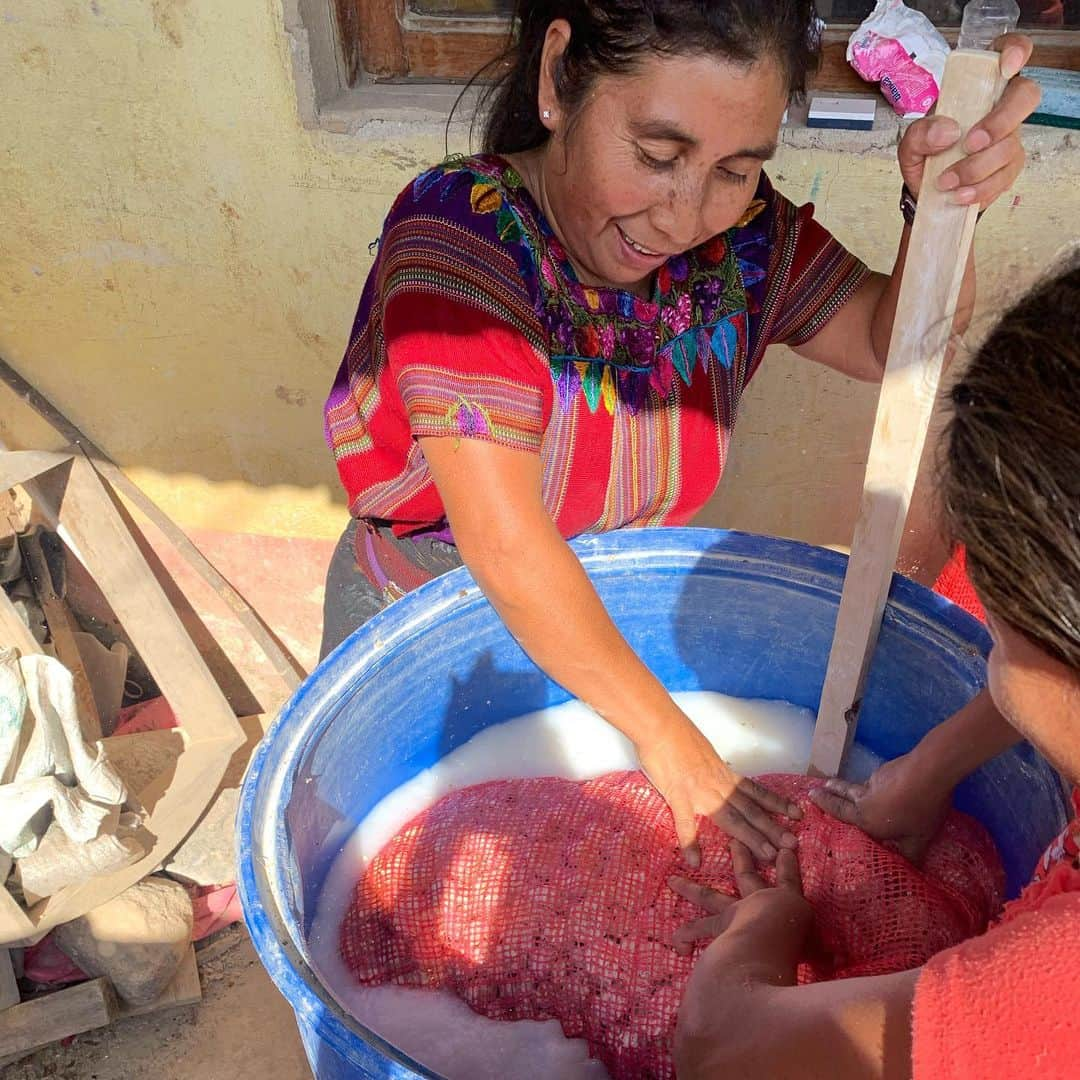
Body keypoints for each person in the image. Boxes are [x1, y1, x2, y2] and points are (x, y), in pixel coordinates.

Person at [322, 0, 1039, 867]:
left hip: (618, 631)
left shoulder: (741, 242)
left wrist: (940, 212)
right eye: (659, 157)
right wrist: (677, 746)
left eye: (735, 169)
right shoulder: (460, 240)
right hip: (432, 618)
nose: (684, 215)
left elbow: (894, 342)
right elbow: (506, 544)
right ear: (558, 78)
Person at [672, 256, 1080, 1078]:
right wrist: (931, 768)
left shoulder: (1053, 994)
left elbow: (720, 1046)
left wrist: (767, 924)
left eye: (998, 629)